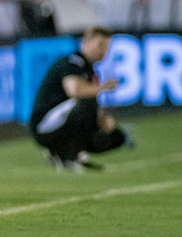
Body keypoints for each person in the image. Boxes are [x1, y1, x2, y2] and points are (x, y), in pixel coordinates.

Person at [29, 26, 129, 171]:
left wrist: (103, 120)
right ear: (85, 43)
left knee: (116, 136)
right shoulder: (72, 62)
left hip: (64, 121)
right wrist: (102, 87)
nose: (104, 50)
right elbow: (75, 90)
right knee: (86, 102)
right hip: (44, 125)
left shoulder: (89, 70)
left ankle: (65, 151)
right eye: (100, 44)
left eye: (107, 46)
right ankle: (68, 155)